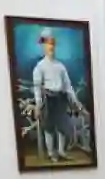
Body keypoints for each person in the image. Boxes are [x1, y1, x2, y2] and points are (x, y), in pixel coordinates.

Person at [31, 27, 82, 162]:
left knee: (62, 126)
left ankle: (61, 151)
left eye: (52, 43)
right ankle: (51, 152)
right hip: (48, 99)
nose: (50, 46)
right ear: (43, 46)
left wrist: (75, 101)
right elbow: (37, 87)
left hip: (61, 98)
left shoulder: (60, 66)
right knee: (49, 127)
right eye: (47, 44)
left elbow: (68, 85)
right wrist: (38, 104)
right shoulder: (39, 67)